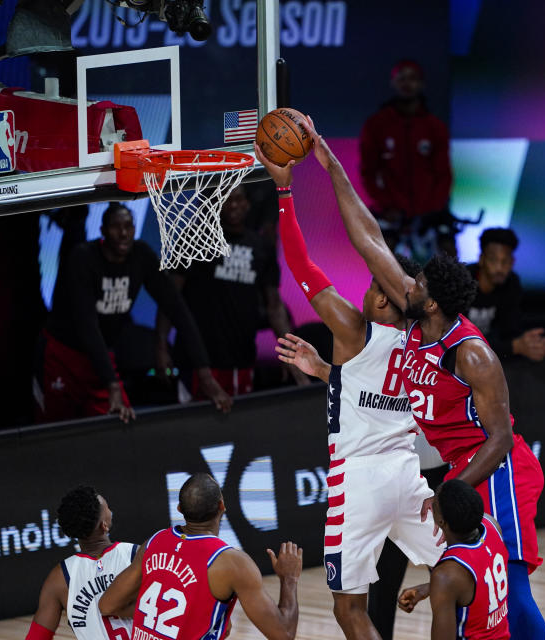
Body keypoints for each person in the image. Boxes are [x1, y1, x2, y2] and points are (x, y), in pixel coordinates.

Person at [301, 116, 545, 640]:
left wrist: (449, 494)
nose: (404, 283)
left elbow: (502, 439)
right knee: (472, 573)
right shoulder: (420, 319)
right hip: (462, 465)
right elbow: (369, 239)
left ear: (431, 299)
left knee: (507, 576)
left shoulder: (473, 354)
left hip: (499, 468)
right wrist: (332, 168)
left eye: (414, 282)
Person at [255, 146, 443, 640]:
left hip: (357, 482)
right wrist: (327, 374)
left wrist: (284, 190)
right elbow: (371, 391)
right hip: (407, 474)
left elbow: (299, 262)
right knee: (460, 567)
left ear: (382, 294)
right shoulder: (423, 338)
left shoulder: (353, 329)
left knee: (349, 610)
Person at [38, 203, 230, 423]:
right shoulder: (83, 258)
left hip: (100, 359)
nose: (123, 233)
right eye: (115, 227)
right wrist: (112, 385)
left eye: (128, 226)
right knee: (54, 433)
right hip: (62, 356)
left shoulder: (141, 255)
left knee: (121, 422)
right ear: (102, 231)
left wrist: (205, 375)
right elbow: (87, 326)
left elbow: (177, 310)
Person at [98, 473, 302, 640]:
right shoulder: (233, 563)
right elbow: (283, 634)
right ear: (222, 506)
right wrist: (289, 579)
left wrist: (163, 616)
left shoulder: (154, 542)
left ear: (179, 509)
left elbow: (108, 605)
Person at [156, 186, 308, 400]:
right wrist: (161, 345)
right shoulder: (195, 239)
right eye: (228, 200)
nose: (234, 206)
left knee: (238, 431)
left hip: (242, 358)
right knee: (197, 431)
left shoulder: (261, 247)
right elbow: (171, 297)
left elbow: (274, 306)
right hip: (198, 362)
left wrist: (289, 353)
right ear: (216, 205)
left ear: (248, 204)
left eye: (239, 199)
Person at [359, 59, 453, 260]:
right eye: (401, 78)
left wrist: (432, 209)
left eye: (413, 78)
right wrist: (385, 205)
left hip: (429, 213)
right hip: (391, 212)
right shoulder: (377, 125)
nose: (407, 83)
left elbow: (443, 174)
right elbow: (368, 171)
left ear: (421, 84)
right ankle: (381, 291)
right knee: (382, 262)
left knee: (449, 256)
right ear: (393, 82)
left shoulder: (434, 127)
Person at [398, 480, 510, 640]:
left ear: (441, 521)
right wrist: (429, 588)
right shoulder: (492, 525)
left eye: (434, 500)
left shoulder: (446, 574)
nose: (431, 500)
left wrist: (438, 586)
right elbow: (481, 578)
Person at [26, 486, 135, 640]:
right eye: (108, 508)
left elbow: (37, 637)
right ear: (104, 525)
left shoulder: (59, 578)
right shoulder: (135, 555)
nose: (110, 510)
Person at [468, 228, 545, 362]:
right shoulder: (462, 280)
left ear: (512, 262)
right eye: (493, 260)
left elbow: (510, 333)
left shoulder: (511, 284)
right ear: (481, 259)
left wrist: (526, 345)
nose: (499, 268)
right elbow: (450, 341)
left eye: (505, 262)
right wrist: (514, 346)